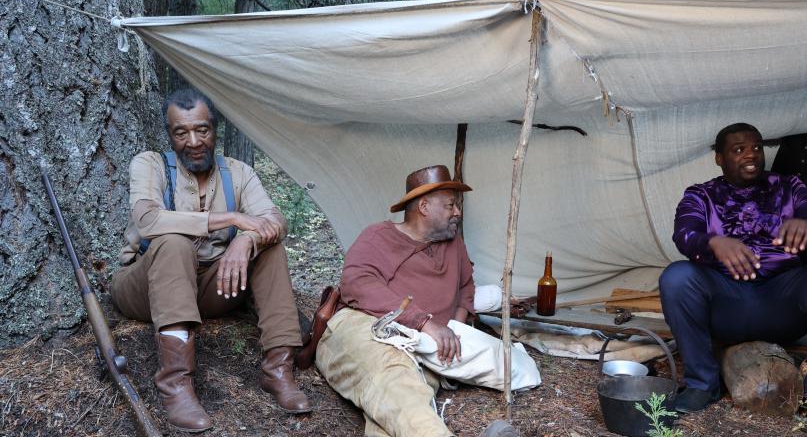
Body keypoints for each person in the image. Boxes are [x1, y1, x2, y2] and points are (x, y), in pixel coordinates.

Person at [111, 89, 311, 433]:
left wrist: (247, 239)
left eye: (201, 130)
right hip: (144, 287)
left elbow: (275, 221)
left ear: (214, 130)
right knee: (174, 243)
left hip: (208, 288)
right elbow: (147, 220)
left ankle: (278, 370)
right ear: (169, 134)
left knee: (270, 247)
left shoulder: (238, 172)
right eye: (180, 132)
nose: (193, 141)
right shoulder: (151, 164)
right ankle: (177, 385)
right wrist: (229, 219)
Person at [659, 123, 807, 431]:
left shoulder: (790, 187)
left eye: (756, 147)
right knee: (676, 277)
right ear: (719, 158)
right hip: (727, 305)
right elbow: (684, 236)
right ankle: (702, 385)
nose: (750, 155)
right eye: (738, 150)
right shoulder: (701, 195)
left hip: (783, 303)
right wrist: (712, 243)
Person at [315, 165, 535, 437]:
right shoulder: (378, 237)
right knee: (393, 378)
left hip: (426, 347)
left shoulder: (454, 244)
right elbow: (357, 284)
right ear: (424, 206)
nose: (458, 212)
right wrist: (424, 323)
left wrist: (456, 327)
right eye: (451, 205)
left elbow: (466, 286)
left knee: (405, 401)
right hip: (365, 327)